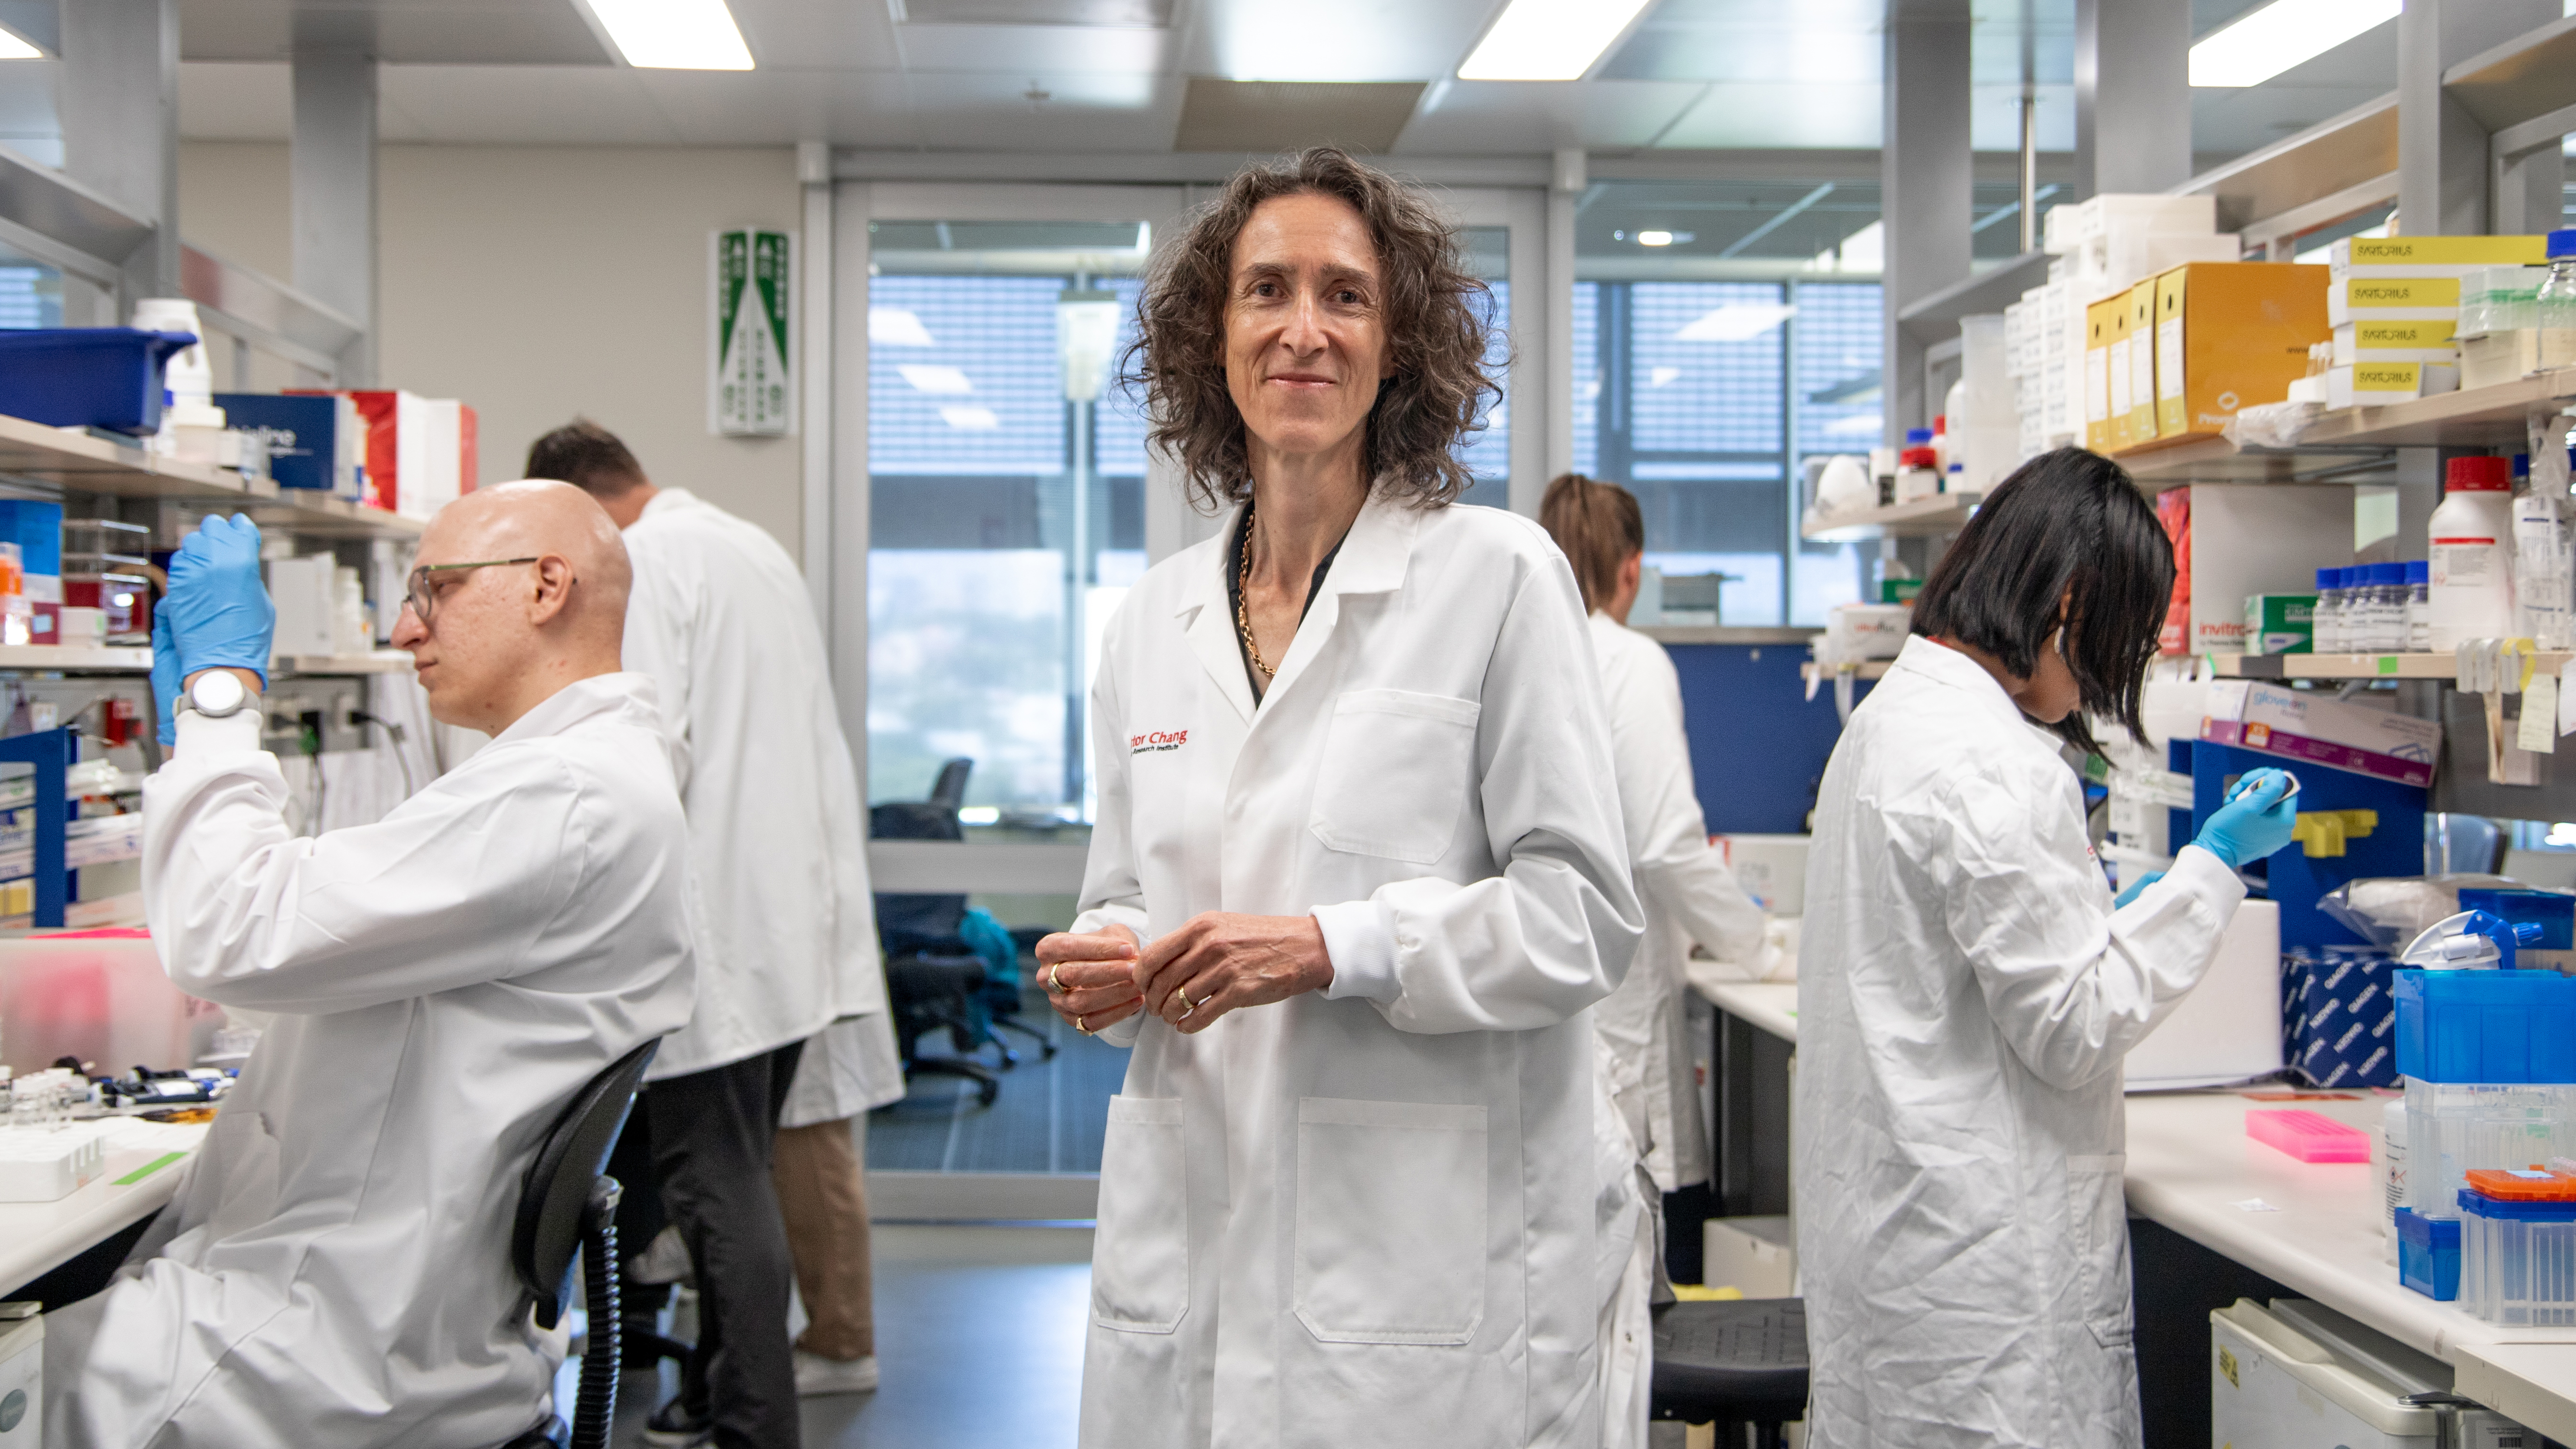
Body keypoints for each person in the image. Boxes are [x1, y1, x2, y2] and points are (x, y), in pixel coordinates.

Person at [1034, 147, 1643, 1449]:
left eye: (1346, 296)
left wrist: (1331, 945)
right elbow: (1131, 885)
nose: (1302, 328)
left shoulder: (1498, 578)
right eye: (1266, 291)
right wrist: (1113, 955)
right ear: (1215, 336)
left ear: (1400, 343)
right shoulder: (1154, 619)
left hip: (1424, 1267)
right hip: (1196, 1233)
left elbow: (1584, 913)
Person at [48, 484, 696, 1447]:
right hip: (388, 1325)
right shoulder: (572, 772)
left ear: (546, 585)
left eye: (431, 588)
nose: (403, 628)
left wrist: (221, 697)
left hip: (317, 1352)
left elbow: (226, 929)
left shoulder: (564, 791)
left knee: (30, 1369)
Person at [1793, 448, 2301, 1448]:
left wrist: (2122, 916)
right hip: (1982, 1296)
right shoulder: (1991, 763)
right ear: (2064, 600)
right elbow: (2071, 1024)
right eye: (2112, 641)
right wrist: (2209, 870)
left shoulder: (1897, 717)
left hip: (1902, 1255)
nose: (2097, 687)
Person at [524, 421, 900, 1443]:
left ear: (584, 508)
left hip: (713, 934)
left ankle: (750, 1418)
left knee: (714, 1188)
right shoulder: (750, 545)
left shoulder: (645, 560)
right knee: (735, 1176)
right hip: (783, 928)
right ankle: (740, 1391)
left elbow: (646, 746)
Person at [1538, 472, 1776, 1449]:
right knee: (1625, 1280)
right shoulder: (1630, 661)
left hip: (1530, 1005)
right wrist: (1757, 942)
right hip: (1608, 1006)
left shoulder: (1513, 644)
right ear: (1629, 570)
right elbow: (1667, 846)